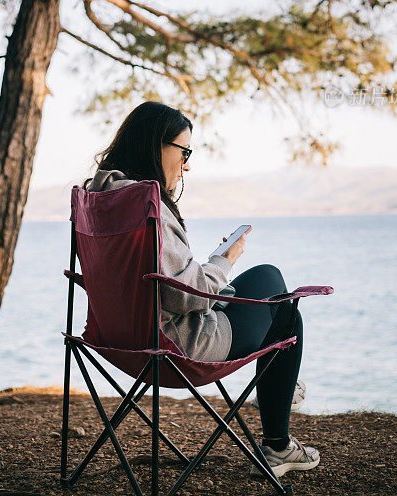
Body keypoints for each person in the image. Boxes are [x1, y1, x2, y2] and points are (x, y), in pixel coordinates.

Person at [83, 101, 320, 477]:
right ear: (155, 145)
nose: (187, 164)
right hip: (179, 347)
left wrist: (209, 271)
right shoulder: (145, 205)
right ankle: (278, 437)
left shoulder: (99, 200)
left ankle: (281, 393)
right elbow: (186, 295)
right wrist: (223, 262)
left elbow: (156, 284)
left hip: (118, 340)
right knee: (276, 290)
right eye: (184, 151)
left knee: (266, 296)